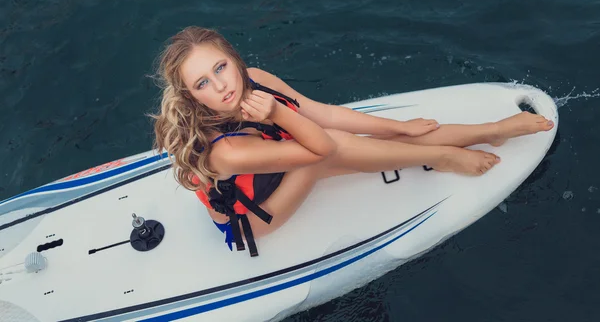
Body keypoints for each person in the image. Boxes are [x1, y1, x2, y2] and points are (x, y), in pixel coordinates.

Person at [150, 26, 554, 256]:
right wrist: (276, 114)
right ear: (190, 95)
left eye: (221, 67)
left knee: (340, 136)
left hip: (281, 161)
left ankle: (490, 131)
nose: (222, 85)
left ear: (235, 59)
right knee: (329, 152)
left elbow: (320, 112)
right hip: (253, 218)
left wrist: (398, 127)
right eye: (203, 82)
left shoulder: (254, 79)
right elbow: (322, 148)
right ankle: (444, 156)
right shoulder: (228, 151)